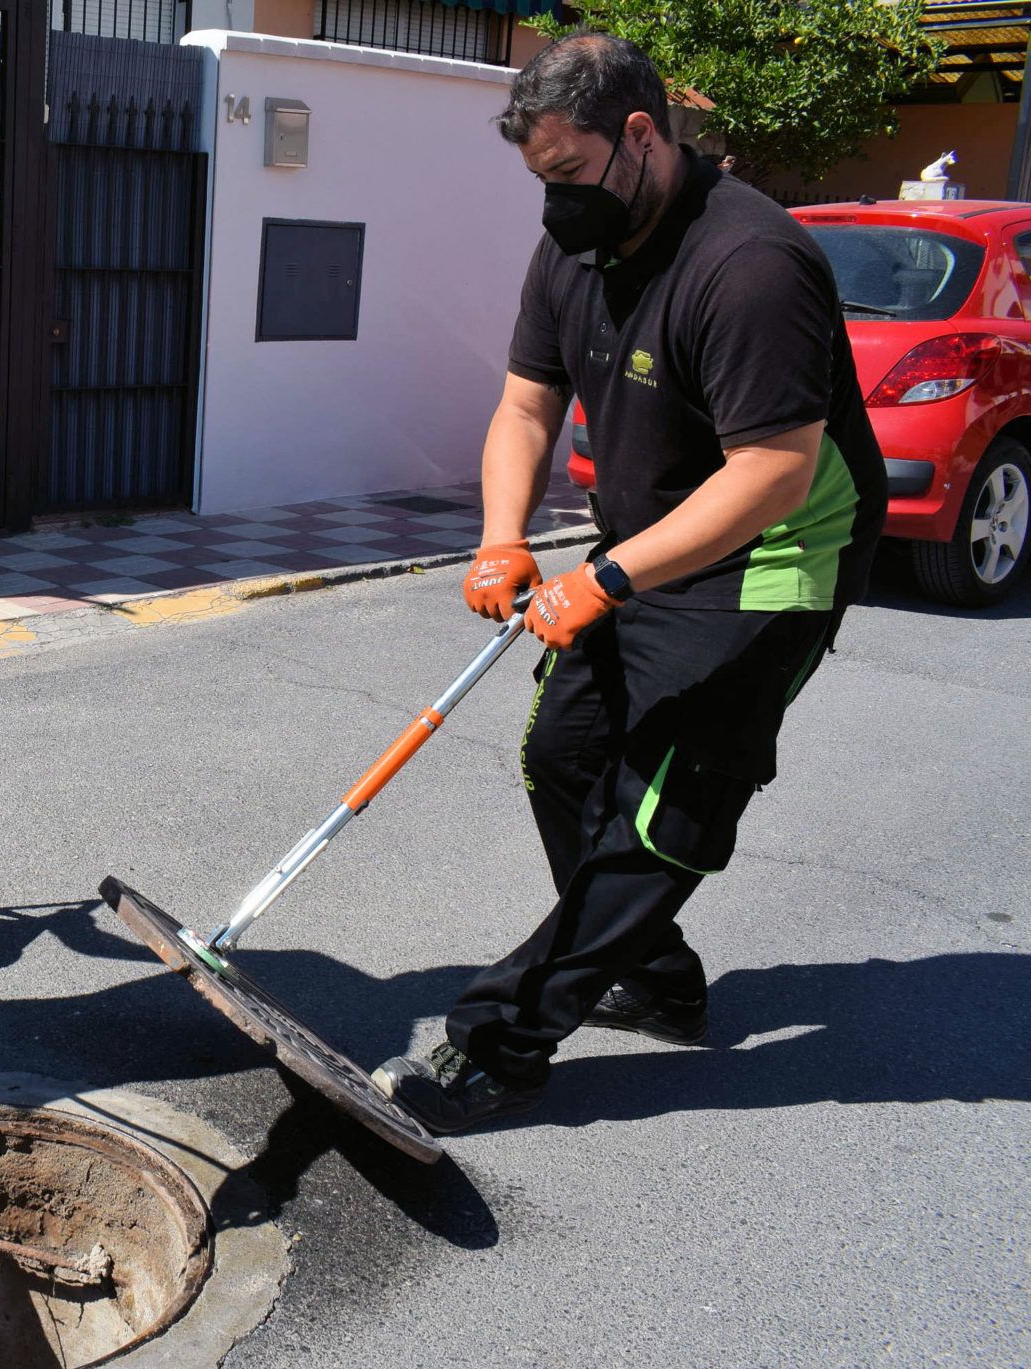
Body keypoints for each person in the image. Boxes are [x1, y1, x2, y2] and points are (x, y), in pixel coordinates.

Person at [372, 34, 885, 1134]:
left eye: (564, 174)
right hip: (644, 546)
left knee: (659, 814)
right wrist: (501, 538)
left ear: (639, 137)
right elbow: (523, 406)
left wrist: (606, 575)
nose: (551, 205)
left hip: (768, 562)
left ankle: (496, 1040)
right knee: (560, 757)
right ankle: (653, 976)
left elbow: (773, 470)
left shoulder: (748, 264)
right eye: (536, 181)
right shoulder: (574, 246)